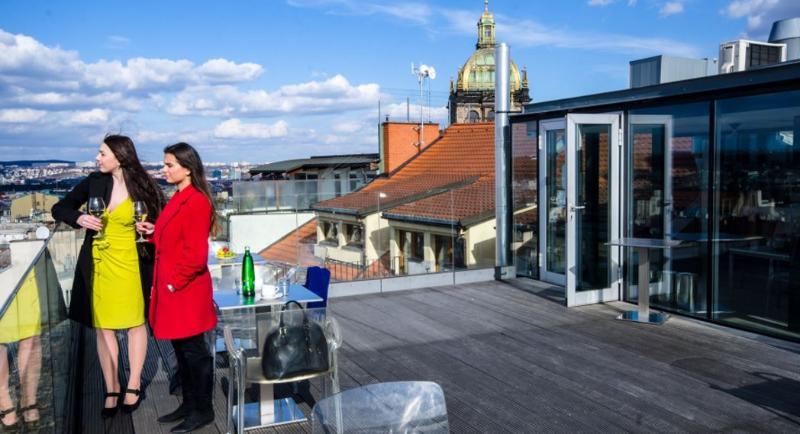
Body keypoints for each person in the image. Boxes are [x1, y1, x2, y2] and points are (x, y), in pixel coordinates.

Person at [52, 134, 165, 417]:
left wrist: (151, 227)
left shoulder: (144, 184)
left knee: (135, 323)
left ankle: (134, 383)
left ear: (120, 156)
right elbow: (60, 207)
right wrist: (78, 218)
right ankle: (112, 386)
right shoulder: (94, 182)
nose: (97, 158)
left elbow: (164, 218)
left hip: (133, 264)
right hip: (99, 265)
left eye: (102, 153)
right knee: (104, 328)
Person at [137, 142, 217, 433]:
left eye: (169, 165)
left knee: (195, 353)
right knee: (182, 352)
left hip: (185, 292)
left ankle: (203, 410)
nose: (164, 169)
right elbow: (175, 237)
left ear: (187, 167)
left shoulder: (196, 200)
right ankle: (190, 404)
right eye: (165, 164)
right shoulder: (180, 196)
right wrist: (153, 231)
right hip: (175, 290)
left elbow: (195, 255)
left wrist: (172, 284)